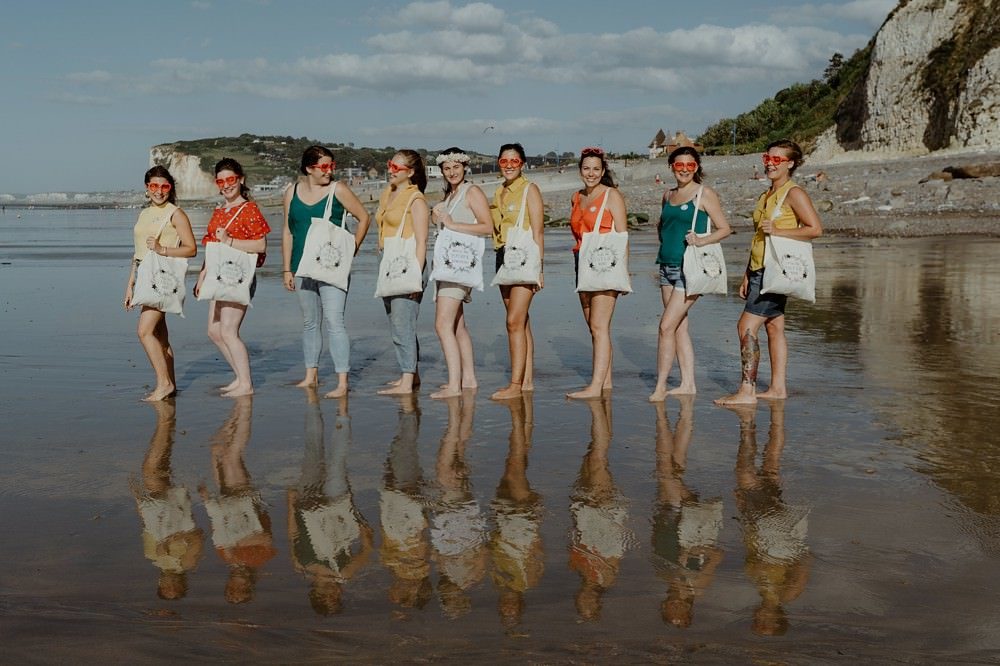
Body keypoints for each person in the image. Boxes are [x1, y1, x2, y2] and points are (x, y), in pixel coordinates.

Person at [715, 140, 823, 405]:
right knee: (774, 327)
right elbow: (759, 238)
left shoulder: (793, 193)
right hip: (759, 269)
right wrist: (747, 273)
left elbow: (815, 229)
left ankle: (747, 391)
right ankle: (777, 388)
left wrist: (779, 230)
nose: (770, 164)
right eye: (768, 158)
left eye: (777, 160)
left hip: (775, 270)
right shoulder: (766, 195)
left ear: (790, 163)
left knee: (746, 326)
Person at [282, 146, 371, 398]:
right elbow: (288, 231)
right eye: (324, 166)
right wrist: (286, 268)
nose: (329, 171)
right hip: (301, 265)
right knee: (310, 323)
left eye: (332, 166)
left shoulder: (338, 189)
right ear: (309, 168)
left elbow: (364, 217)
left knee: (335, 322)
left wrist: (352, 248)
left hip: (332, 266)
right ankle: (311, 376)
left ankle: (342, 382)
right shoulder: (292, 192)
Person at [649, 147, 732, 401]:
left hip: (690, 269)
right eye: (679, 165)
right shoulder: (668, 195)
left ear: (697, 167)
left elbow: (725, 229)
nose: (684, 169)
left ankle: (661, 386)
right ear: (671, 167)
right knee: (679, 327)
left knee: (665, 327)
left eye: (690, 165)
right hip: (666, 266)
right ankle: (688, 384)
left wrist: (701, 241)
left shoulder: (704, 194)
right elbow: (663, 227)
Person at [194, 158, 271, 397]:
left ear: (241, 180)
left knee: (228, 331)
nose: (226, 185)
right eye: (221, 181)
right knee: (214, 331)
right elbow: (213, 248)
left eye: (231, 179)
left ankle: (246, 384)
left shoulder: (249, 209)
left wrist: (230, 240)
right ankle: (240, 378)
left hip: (238, 277)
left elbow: (260, 245)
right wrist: (202, 274)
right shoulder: (219, 210)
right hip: (217, 276)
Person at [124, 166, 197, 402]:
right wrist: (130, 284)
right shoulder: (144, 214)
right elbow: (138, 253)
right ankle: (171, 384)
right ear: (147, 188)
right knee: (160, 337)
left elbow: (191, 248)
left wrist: (162, 249)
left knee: (144, 332)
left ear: (171, 188)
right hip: (145, 276)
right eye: (154, 186)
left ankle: (163, 384)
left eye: (164, 186)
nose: (159, 191)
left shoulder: (175, 213)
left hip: (162, 279)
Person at [429, 147, 493, 399]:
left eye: (456, 167)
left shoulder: (471, 191)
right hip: (449, 266)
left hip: (460, 266)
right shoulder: (450, 195)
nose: (452, 172)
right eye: (447, 168)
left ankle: (454, 385)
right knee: (458, 325)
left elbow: (488, 226)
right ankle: (468, 379)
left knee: (441, 324)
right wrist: (438, 216)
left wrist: (453, 223)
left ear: (465, 167)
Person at [567, 147, 628, 399]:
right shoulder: (576, 197)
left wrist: (624, 272)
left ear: (603, 171)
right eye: (586, 168)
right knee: (594, 328)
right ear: (580, 170)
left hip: (605, 262)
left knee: (599, 326)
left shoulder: (612, 195)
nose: (590, 173)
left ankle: (594, 386)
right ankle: (606, 381)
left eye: (595, 169)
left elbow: (623, 236)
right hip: (581, 261)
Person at [490, 143, 544, 401]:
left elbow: (538, 231)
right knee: (521, 321)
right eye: (504, 161)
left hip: (524, 256)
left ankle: (514, 384)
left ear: (522, 163)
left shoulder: (529, 190)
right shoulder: (499, 191)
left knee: (513, 322)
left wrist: (539, 267)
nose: (509, 165)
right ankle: (527, 380)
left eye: (514, 161)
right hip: (502, 256)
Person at [375, 150, 430, 395]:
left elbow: (421, 241)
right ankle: (410, 375)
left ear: (410, 172)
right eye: (390, 165)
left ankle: (407, 381)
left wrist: (416, 276)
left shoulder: (416, 199)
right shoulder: (388, 193)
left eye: (396, 168)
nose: (390, 170)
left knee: (402, 322)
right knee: (397, 323)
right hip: (389, 263)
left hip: (409, 264)